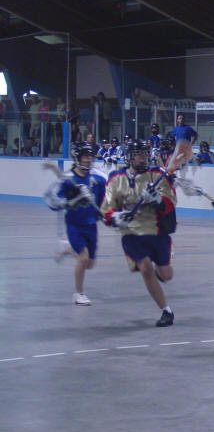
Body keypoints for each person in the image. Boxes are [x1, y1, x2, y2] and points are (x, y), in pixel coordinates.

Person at [100, 139, 178, 327]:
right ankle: (166, 311)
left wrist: (158, 200)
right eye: (138, 154)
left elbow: (171, 202)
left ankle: (160, 271)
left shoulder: (157, 175)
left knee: (167, 275)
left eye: (144, 154)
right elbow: (106, 208)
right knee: (145, 269)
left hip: (157, 232)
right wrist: (115, 217)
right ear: (130, 157)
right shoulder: (116, 178)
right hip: (132, 234)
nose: (142, 158)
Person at [44, 142, 106, 305]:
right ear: (78, 158)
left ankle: (67, 248)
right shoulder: (67, 179)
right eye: (85, 156)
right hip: (74, 224)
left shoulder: (97, 178)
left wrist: (103, 212)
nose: (88, 160)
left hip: (91, 224)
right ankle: (79, 293)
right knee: (83, 258)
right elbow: (51, 198)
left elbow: (104, 198)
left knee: (90, 264)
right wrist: (70, 201)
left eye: (90, 156)